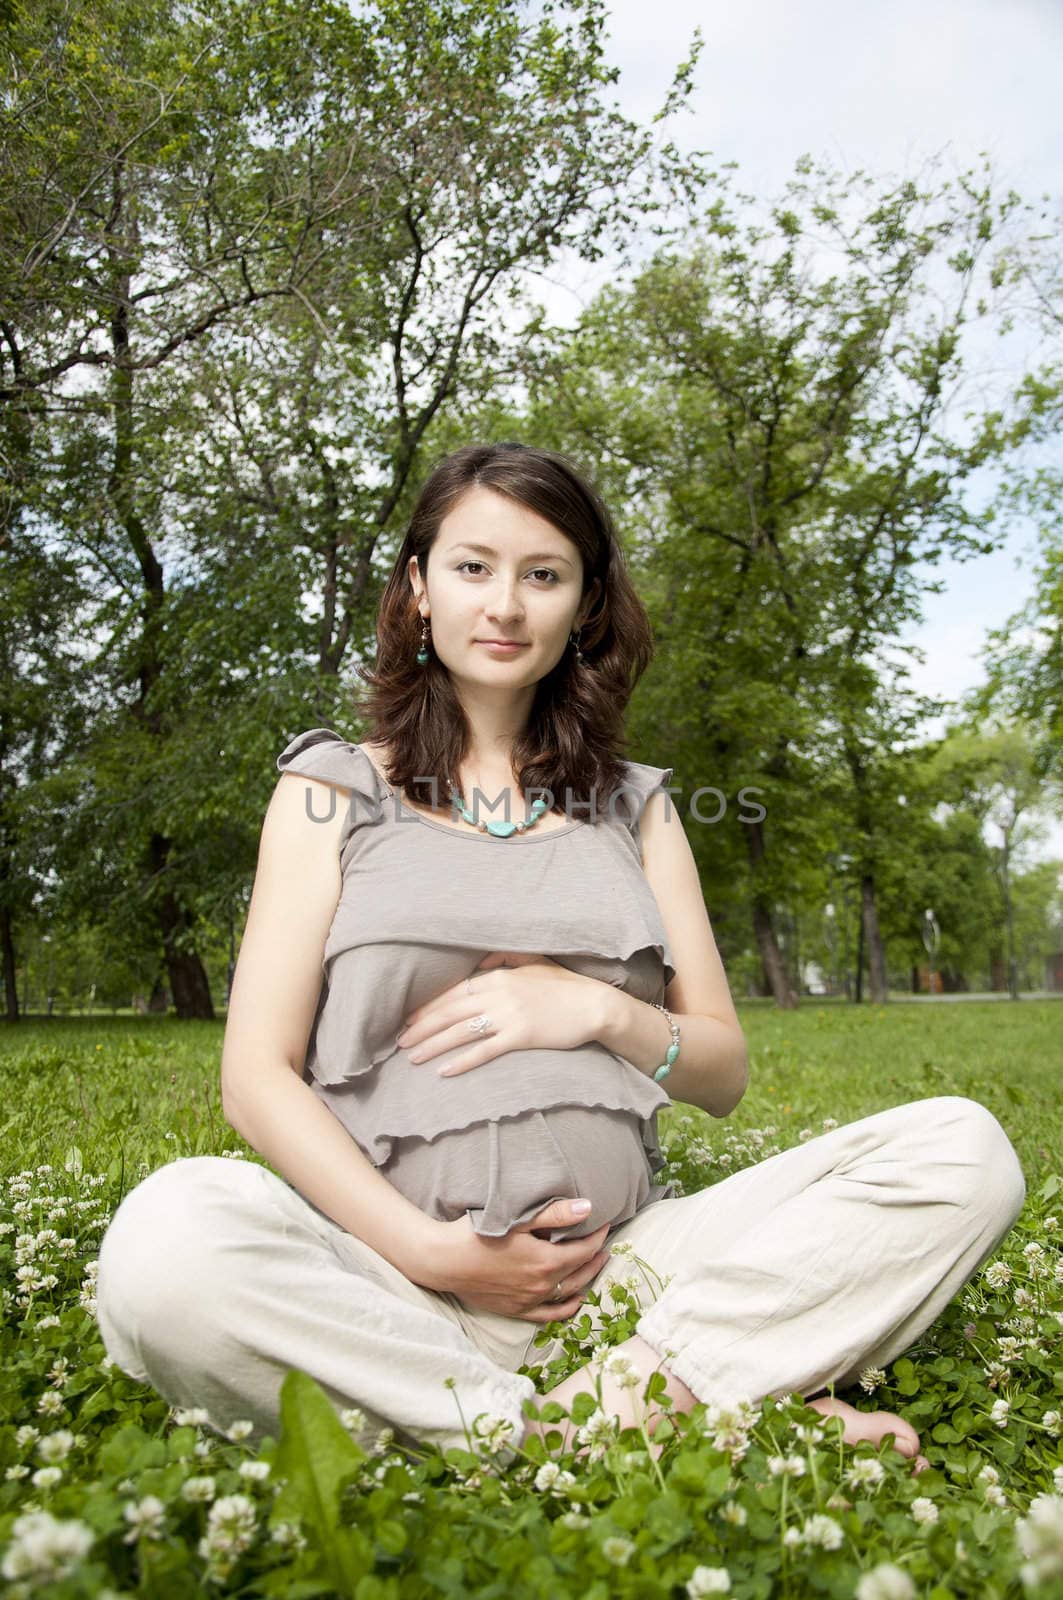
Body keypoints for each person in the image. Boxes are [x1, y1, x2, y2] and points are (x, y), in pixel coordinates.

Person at [96, 441, 1026, 1470]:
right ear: (417, 586)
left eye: (542, 574)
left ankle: (560, 1416)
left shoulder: (637, 806)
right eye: (472, 566)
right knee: (166, 1244)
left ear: (584, 605)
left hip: (627, 1273)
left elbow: (721, 1072)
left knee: (963, 1152)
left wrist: (593, 1009)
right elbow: (254, 1078)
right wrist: (431, 1252)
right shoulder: (329, 788)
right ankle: (637, 1416)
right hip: (393, 1284)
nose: (504, 604)